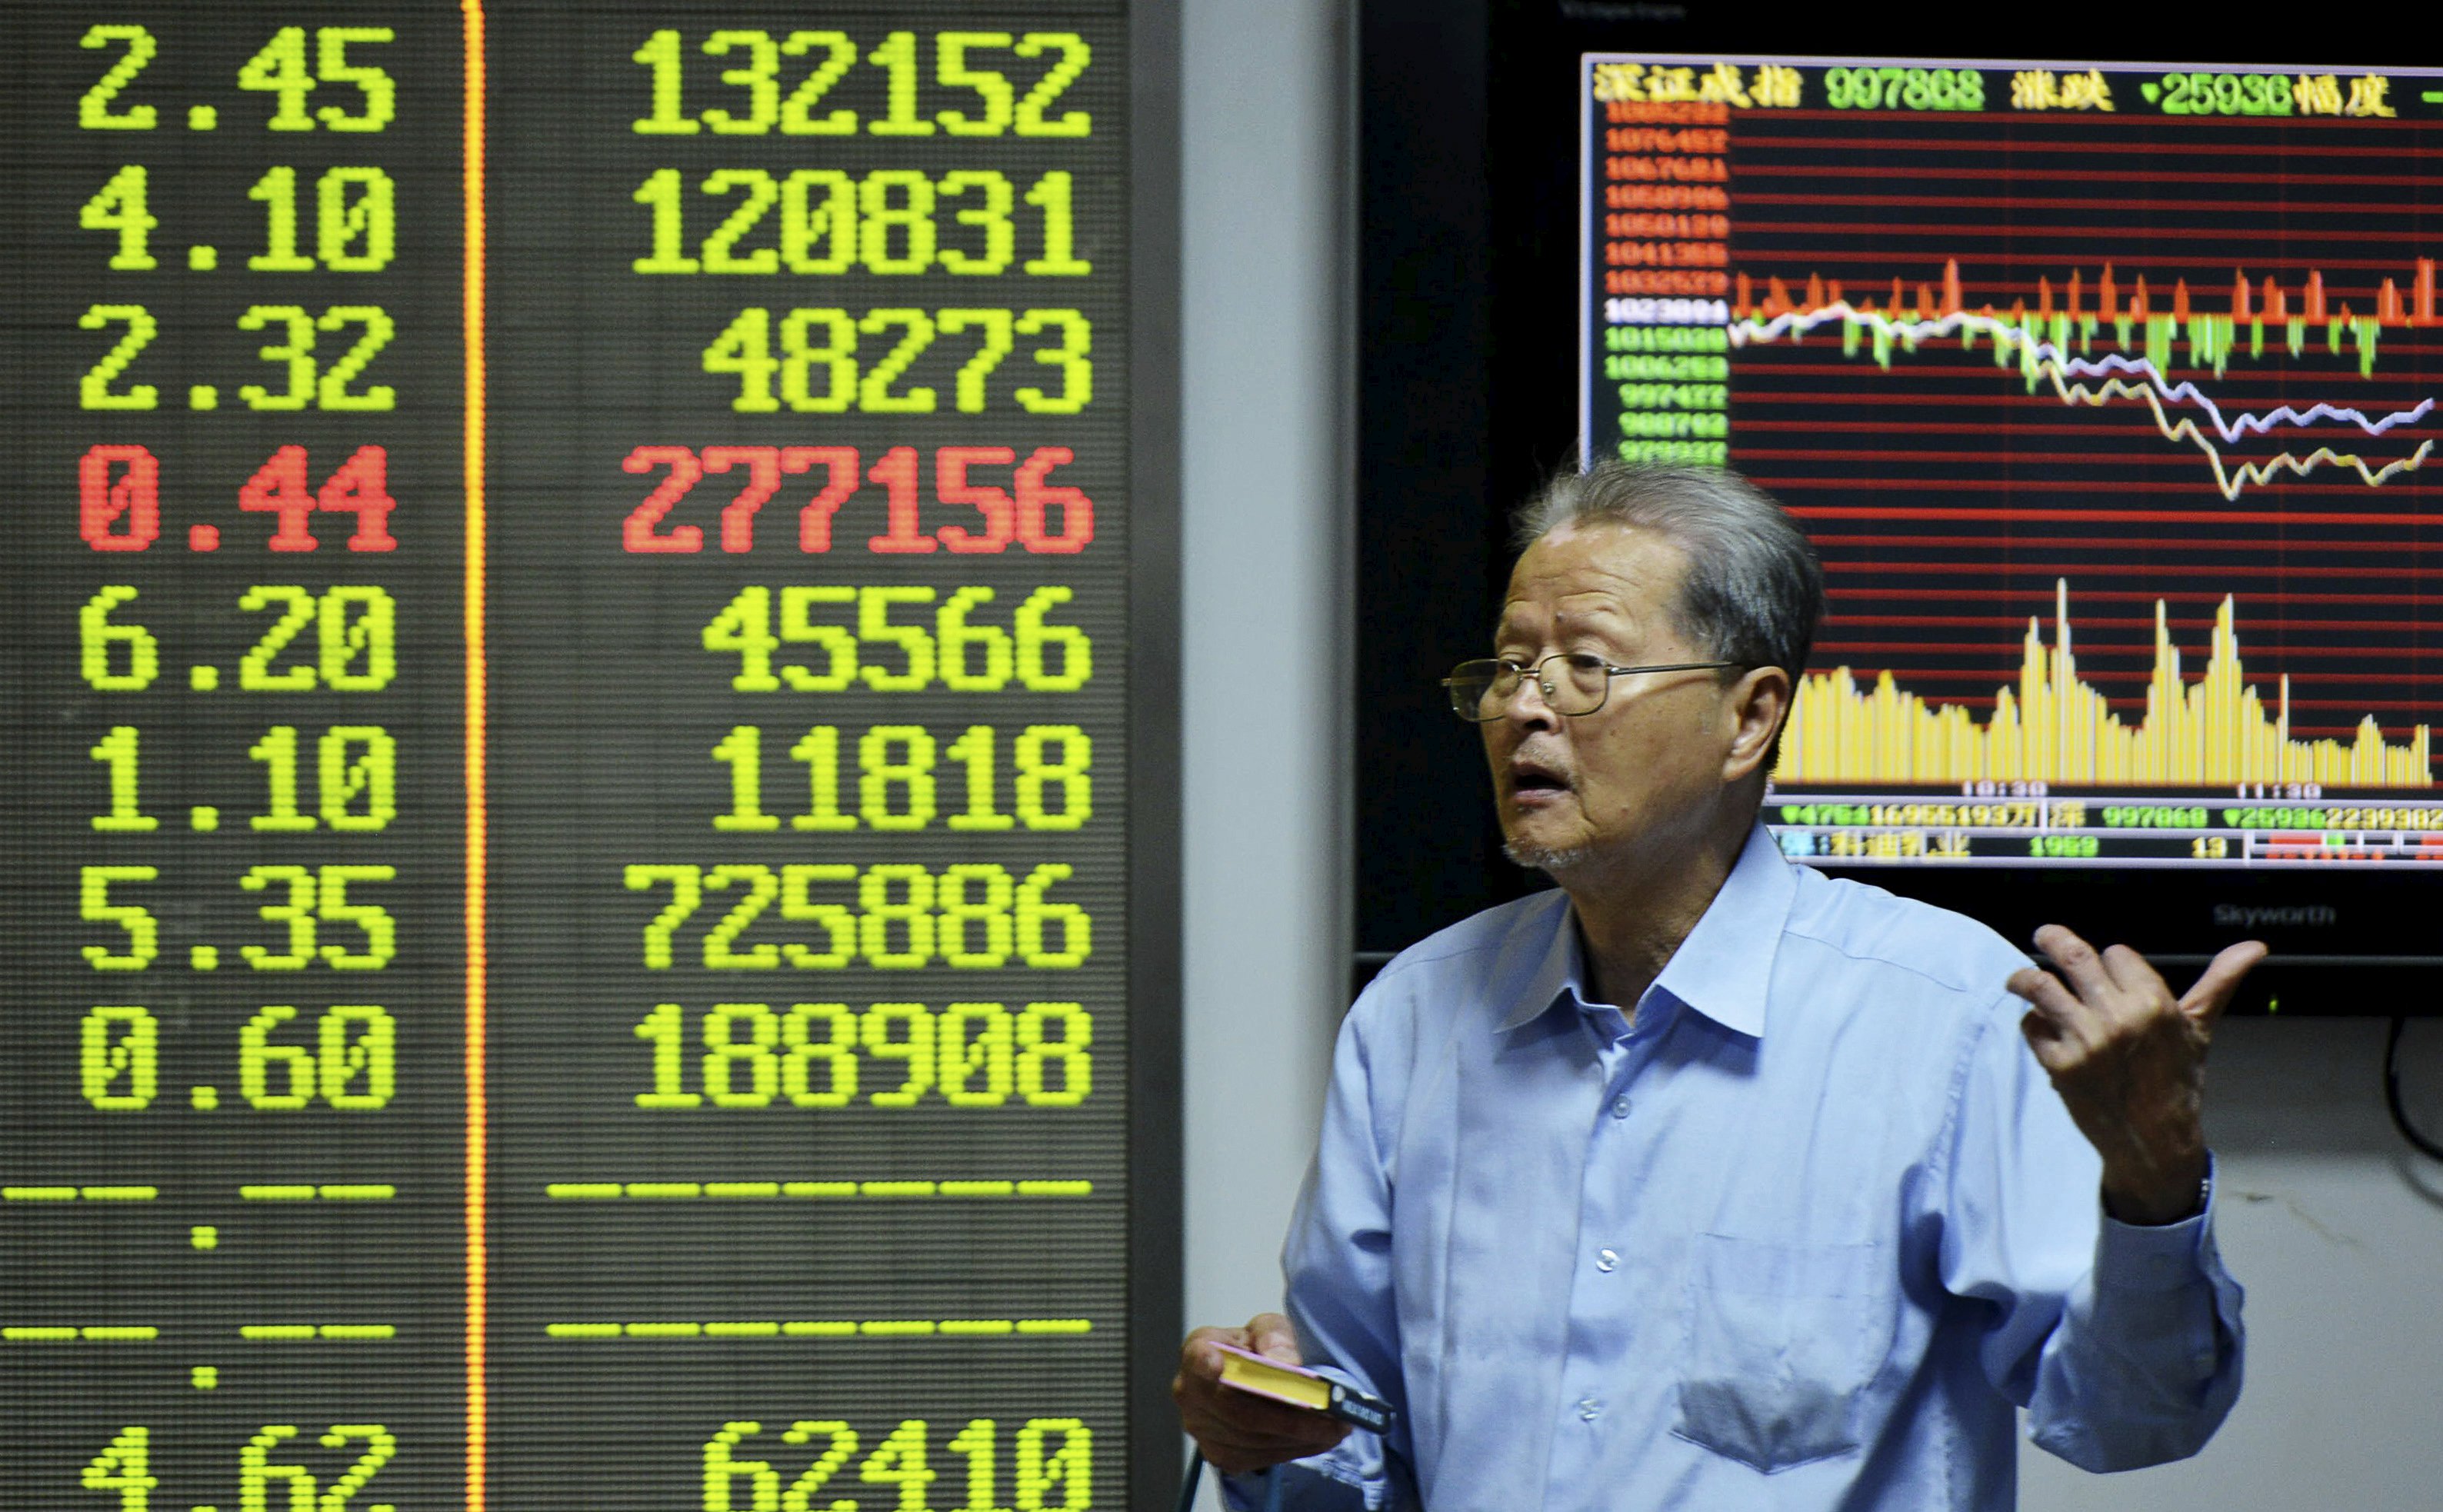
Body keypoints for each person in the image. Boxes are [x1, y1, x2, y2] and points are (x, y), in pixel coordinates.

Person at [1173, 461, 2261, 1510]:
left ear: (1750, 717)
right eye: (1509, 666)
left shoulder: (1950, 1014)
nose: (1522, 709)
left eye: (1584, 666)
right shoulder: (1411, 1025)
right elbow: (1351, 1457)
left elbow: (2134, 1420)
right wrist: (1263, 1444)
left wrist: (2153, 1179)